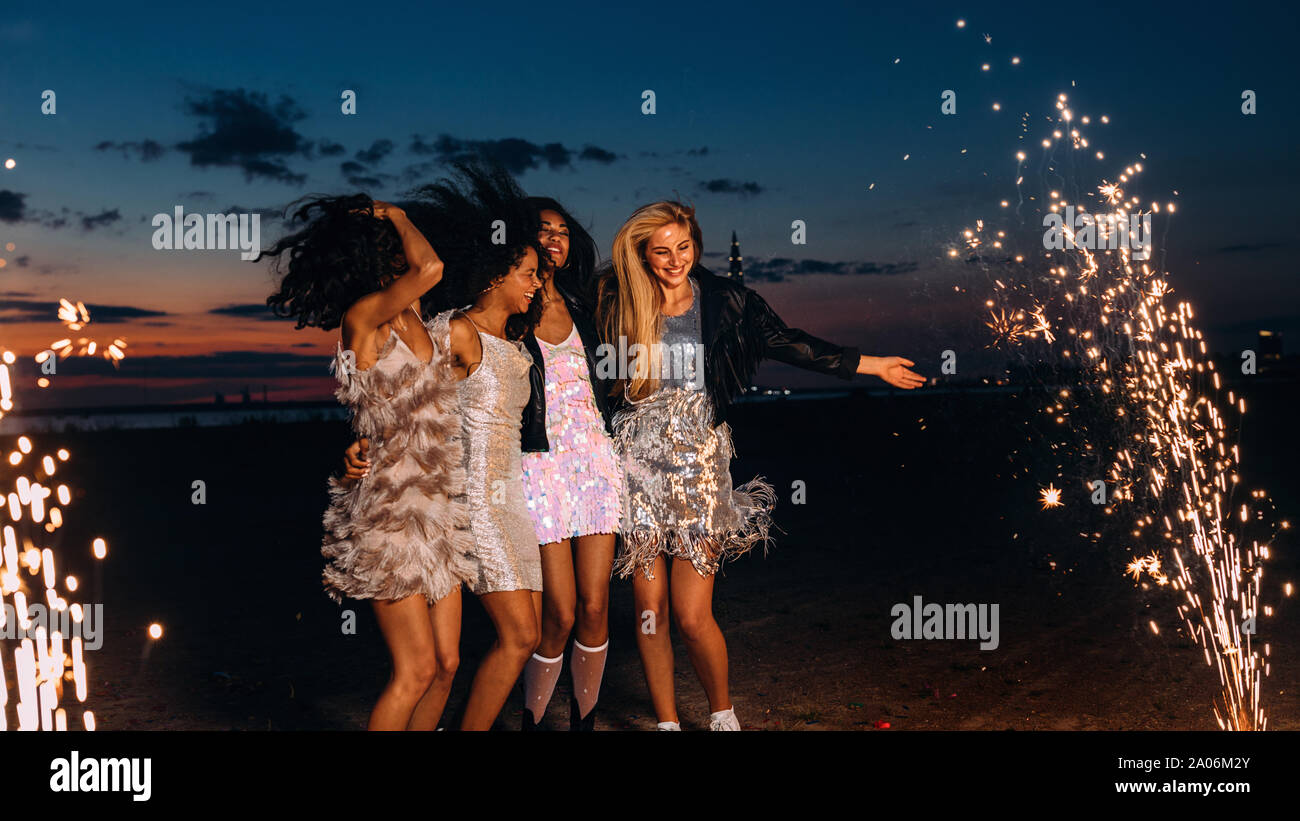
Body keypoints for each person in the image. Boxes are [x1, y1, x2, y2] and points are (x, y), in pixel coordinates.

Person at [596, 200, 925, 730]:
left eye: (683, 247)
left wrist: (870, 364)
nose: (675, 260)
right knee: (648, 608)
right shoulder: (616, 298)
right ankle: (666, 723)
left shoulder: (728, 301)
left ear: (696, 245)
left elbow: (790, 342)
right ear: (642, 254)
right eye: (661, 252)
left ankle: (723, 715)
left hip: (699, 461)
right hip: (636, 462)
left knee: (691, 613)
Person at [264, 194, 474, 731]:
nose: (400, 253)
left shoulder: (413, 314)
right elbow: (431, 267)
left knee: (447, 665)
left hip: (438, 504)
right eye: (388, 245)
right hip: (392, 508)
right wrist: (399, 215)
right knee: (415, 670)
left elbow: (387, 405)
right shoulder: (363, 316)